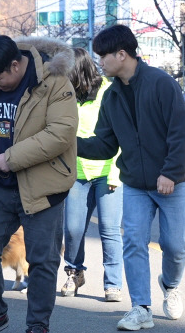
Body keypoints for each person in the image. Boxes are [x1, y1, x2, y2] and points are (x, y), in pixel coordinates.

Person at [77, 24, 185, 331]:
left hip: (174, 182)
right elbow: (103, 145)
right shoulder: (111, 97)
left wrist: (169, 172)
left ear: (122, 54)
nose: (99, 62)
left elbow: (181, 133)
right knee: (134, 242)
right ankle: (141, 307)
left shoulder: (161, 84)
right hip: (136, 185)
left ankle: (170, 284)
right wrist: (68, 142)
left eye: (103, 56)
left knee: (175, 245)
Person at [0, 35, 78, 333]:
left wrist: (11, 158)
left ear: (16, 65)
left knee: (42, 260)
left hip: (44, 186)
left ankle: (37, 325)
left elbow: (61, 133)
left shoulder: (54, 81)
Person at [61, 47, 124, 302]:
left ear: (79, 71)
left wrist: (115, 174)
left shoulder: (109, 92)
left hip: (107, 171)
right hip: (76, 173)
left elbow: (122, 135)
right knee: (73, 229)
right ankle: (74, 273)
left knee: (109, 229)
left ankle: (113, 283)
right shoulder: (66, 96)